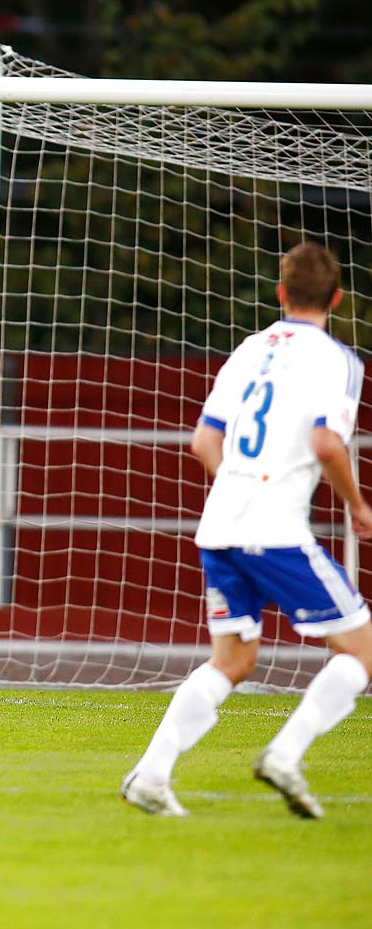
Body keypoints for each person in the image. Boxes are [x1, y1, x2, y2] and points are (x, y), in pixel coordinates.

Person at [121, 241, 372, 818]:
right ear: (336, 298)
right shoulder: (337, 360)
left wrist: (237, 486)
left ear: (281, 294)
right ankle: (286, 753)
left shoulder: (251, 348)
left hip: (220, 524)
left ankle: (151, 776)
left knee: (232, 660)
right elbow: (327, 443)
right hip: (276, 528)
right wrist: (357, 504)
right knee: (359, 649)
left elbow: (204, 442)